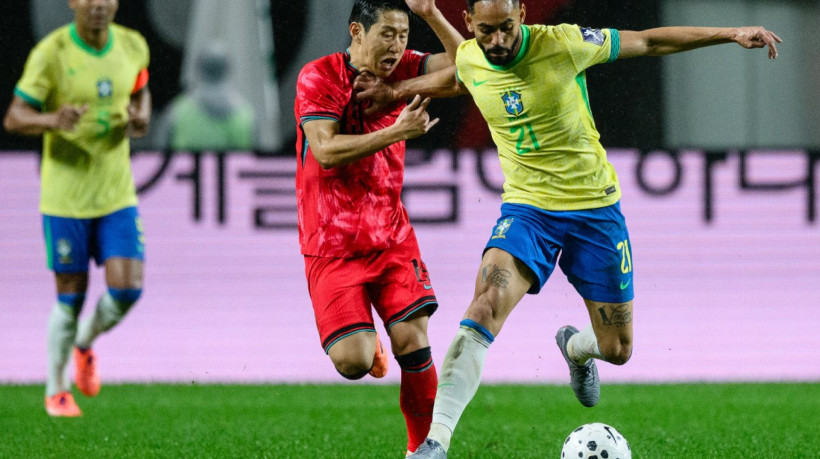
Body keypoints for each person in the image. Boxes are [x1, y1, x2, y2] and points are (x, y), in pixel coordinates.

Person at [353, 1, 782, 456]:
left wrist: (731, 32)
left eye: (506, 29)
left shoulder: (564, 43)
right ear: (469, 25)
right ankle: (435, 443)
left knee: (617, 349)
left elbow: (649, 41)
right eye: (485, 32)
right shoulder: (474, 54)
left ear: (522, 13)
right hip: (527, 211)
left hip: (595, 211)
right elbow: (461, 76)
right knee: (484, 306)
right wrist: (396, 92)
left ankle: (576, 349)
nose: (497, 41)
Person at [293, 0, 464, 454]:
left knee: (414, 338)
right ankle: (369, 347)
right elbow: (325, 151)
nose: (397, 45)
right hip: (331, 242)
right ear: (356, 31)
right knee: (353, 361)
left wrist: (429, 15)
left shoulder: (403, 69)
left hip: (390, 236)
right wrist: (396, 130)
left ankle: (421, 451)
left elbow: (469, 69)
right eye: (387, 34)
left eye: (404, 35)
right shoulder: (319, 77)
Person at [4, 0, 151, 417]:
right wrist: (52, 120)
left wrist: (139, 117)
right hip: (65, 198)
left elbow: (140, 92)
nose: (99, 5)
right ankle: (56, 390)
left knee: (127, 290)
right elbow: (15, 117)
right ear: (72, 3)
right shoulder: (51, 53)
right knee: (71, 295)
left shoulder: (132, 45)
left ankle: (84, 343)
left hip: (116, 193)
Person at [153, 41, 255, 152]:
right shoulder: (247, 116)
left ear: (198, 67)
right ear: (229, 68)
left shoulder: (177, 113)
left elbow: (157, 156)